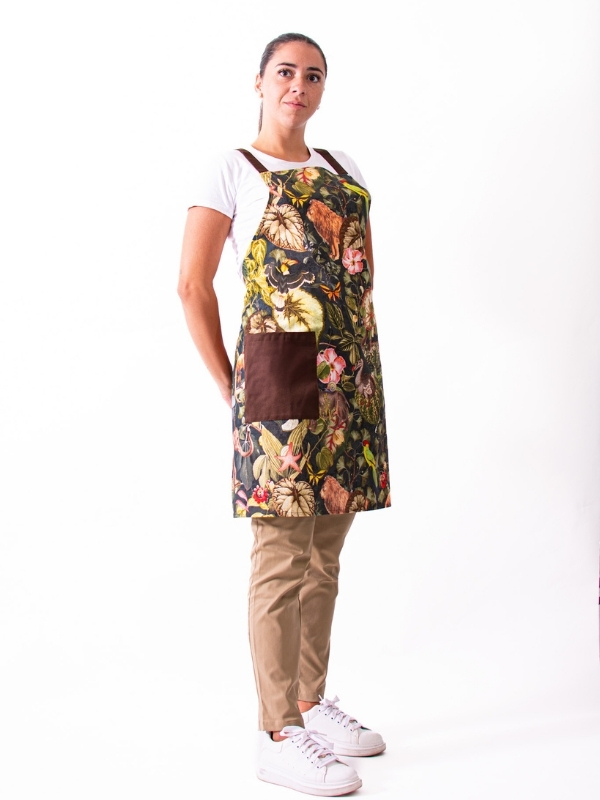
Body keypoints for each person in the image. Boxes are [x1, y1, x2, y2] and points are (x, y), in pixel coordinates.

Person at [178, 32, 391, 797]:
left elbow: (360, 278)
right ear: (260, 82)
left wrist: (354, 370)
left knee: (326, 552)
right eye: (286, 72)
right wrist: (231, 383)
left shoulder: (343, 168)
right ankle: (276, 732)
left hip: (349, 379)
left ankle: (309, 701)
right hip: (277, 378)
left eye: (314, 75)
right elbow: (192, 285)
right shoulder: (232, 167)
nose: (299, 85)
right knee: (280, 556)